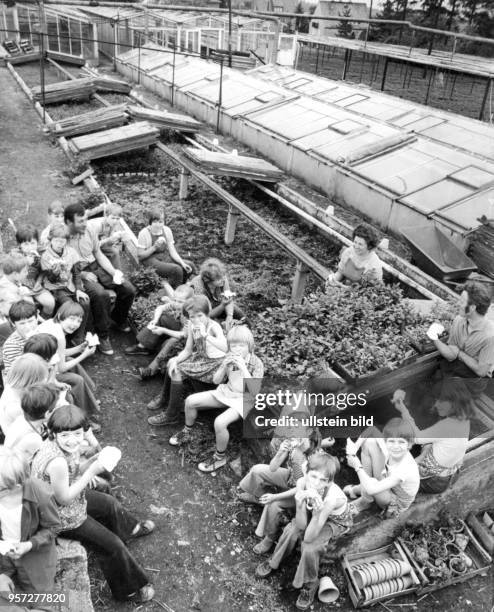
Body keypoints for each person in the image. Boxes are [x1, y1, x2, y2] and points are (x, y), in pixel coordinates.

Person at [31, 405, 156, 603]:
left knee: (108, 503)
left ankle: (130, 529)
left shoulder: (62, 446)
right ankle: (128, 591)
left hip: (69, 500)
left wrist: (93, 460)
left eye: (78, 434)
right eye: (65, 435)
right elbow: (64, 498)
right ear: (54, 434)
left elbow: (74, 469)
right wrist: (91, 472)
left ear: (84, 431)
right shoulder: (56, 462)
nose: (72, 440)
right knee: (112, 546)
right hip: (59, 516)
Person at [256, 453, 353, 611]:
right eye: (313, 476)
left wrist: (315, 516)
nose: (316, 483)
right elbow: (301, 526)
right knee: (291, 529)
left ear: (329, 481)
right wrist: (299, 504)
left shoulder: (331, 499)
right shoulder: (302, 483)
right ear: (306, 472)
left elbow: (308, 538)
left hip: (334, 521)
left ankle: (311, 582)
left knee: (310, 547)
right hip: (315, 512)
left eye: (323, 480)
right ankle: (274, 561)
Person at [168, 325, 264, 472]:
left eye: (241, 345)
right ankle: (187, 432)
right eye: (234, 345)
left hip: (245, 399)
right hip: (228, 391)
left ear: (249, 346)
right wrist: (223, 367)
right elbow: (216, 381)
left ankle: (220, 458)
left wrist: (243, 367)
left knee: (220, 422)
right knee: (190, 401)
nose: (237, 349)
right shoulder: (228, 357)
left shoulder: (256, 363)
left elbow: (254, 392)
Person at [65, 202, 135, 356]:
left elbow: (98, 253)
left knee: (128, 288)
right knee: (100, 294)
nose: (85, 223)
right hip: (77, 273)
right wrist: (82, 275)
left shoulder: (89, 229)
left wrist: (113, 272)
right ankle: (103, 335)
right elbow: (64, 266)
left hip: (95, 265)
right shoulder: (62, 237)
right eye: (80, 221)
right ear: (69, 222)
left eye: (85, 219)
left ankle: (117, 318)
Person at [148, 295, 227, 427]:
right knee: (172, 364)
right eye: (192, 316)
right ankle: (164, 398)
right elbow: (188, 350)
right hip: (201, 359)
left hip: (215, 365)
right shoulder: (191, 324)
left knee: (177, 370)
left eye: (200, 316)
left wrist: (205, 335)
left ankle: (171, 415)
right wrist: (176, 359)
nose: (196, 320)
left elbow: (225, 347)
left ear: (207, 313)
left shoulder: (214, 327)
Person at [240, 428, 320, 555]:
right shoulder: (294, 446)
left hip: (302, 493)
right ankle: (258, 497)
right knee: (257, 470)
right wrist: (281, 452)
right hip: (291, 478)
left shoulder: (311, 461)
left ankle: (269, 538)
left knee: (273, 504)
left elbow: (301, 488)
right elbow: (272, 468)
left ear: (311, 441)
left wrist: (275, 497)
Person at [0, 448, 61, 602]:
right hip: (4, 551)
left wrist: (29, 545)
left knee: (43, 599)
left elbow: (53, 527)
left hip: (33, 553)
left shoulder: (41, 494)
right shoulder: (5, 488)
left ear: (16, 486)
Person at [392, 380, 473, 493]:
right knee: (427, 443)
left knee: (391, 474)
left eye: (440, 401)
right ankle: (418, 460)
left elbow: (416, 438)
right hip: (450, 474)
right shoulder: (464, 417)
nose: (436, 405)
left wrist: (404, 411)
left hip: (434, 482)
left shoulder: (447, 426)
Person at [35, 302, 99, 421]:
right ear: (60, 316)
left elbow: (59, 353)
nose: (75, 324)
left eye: (79, 321)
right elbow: (61, 368)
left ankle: (89, 398)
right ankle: (85, 415)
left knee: (71, 361)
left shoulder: (51, 323)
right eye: (72, 319)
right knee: (77, 380)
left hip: (45, 366)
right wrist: (84, 355)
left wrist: (79, 348)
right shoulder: (59, 336)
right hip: (43, 375)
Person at [345, 418, 420, 518]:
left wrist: (357, 465)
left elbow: (372, 489)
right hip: (387, 482)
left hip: (395, 501)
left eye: (401, 442)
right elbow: (372, 429)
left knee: (371, 484)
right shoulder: (391, 447)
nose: (395, 446)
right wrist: (355, 447)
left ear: (409, 444)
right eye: (391, 441)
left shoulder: (405, 468)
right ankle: (365, 497)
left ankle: (362, 496)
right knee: (369, 442)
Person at [124, 285, 194, 381]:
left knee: (172, 341)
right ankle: (143, 347)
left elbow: (183, 335)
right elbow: (160, 308)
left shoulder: (192, 314)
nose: (176, 304)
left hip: (190, 339)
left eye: (180, 302)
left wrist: (163, 330)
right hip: (181, 330)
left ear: (190, 301)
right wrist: (155, 320)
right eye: (175, 300)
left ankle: (151, 370)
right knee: (163, 318)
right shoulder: (178, 304)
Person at [431, 281, 494, 379]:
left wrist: (460, 354)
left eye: (462, 302)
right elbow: (451, 354)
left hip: (470, 382)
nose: (458, 304)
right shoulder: (459, 320)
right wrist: (434, 337)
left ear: (472, 307)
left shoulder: (490, 336)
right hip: (451, 371)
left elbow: (481, 371)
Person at [40, 223, 90, 345]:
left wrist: (79, 289)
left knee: (85, 302)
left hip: (71, 286)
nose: (59, 243)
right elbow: (50, 279)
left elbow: (77, 273)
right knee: (68, 307)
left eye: (62, 241)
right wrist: (54, 273)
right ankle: (58, 337)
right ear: (50, 240)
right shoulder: (46, 255)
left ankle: (78, 337)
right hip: (56, 288)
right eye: (56, 240)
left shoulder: (71, 252)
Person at [4, 383, 60, 464]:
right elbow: (46, 459)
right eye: (56, 407)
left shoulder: (22, 418)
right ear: (47, 414)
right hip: (21, 472)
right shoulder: (33, 439)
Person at [137, 209, 192, 288]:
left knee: (189, 265)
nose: (158, 225)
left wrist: (182, 262)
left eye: (160, 222)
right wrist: (154, 247)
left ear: (164, 222)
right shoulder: (144, 233)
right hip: (148, 259)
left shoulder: (166, 230)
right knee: (176, 270)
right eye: (155, 222)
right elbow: (140, 256)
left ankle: (180, 287)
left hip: (163, 257)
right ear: (150, 222)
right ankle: (175, 293)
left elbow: (172, 251)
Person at [0, 354, 49, 437]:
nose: (44, 381)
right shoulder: (15, 407)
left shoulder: (12, 385)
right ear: (31, 382)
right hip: (24, 440)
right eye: (42, 380)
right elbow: (35, 427)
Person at [189, 258, 245, 328]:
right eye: (218, 279)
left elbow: (228, 298)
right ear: (207, 280)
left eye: (222, 277)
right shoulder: (198, 287)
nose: (222, 280)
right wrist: (222, 306)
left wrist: (229, 316)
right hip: (201, 312)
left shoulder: (221, 277)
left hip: (217, 304)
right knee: (216, 326)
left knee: (239, 313)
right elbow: (205, 315)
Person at [13, 225, 55, 318]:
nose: (30, 247)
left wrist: (38, 282)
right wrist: (26, 263)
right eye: (26, 244)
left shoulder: (41, 253)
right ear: (20, 245)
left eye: (32, 243)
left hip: (36, 284)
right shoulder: (16, 255)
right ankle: (33, 327)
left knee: (50, 302)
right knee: (30, 307)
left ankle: (43, 321)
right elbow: (16, 275)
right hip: (21, 287)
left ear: (37, 242)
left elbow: (43, 272)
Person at [2, 301, 39, 377]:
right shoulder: (12, 345)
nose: (28, 327)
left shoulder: (40, 332)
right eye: (22, 323)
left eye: (30, 321)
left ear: (37, 318)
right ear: (13, 323)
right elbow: (24, 374)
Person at [87, 204, 127, 270]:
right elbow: (94, 245)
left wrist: (117, 239)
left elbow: (109, 243)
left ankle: (118, 274)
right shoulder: (97, 225)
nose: (115, 221)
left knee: (114, 252)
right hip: (87, 246)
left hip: (97, 244)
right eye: (113, 218)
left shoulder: (112, 224)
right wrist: (109, 239)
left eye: (118, 219)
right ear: (106, 216)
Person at [0, 254, 34, 324]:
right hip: (10, 321)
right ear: (15, 274)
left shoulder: (11, 279)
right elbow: (11, 312)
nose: (27, 273)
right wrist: (23, 297)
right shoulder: (6, 291)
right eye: (25, 271)